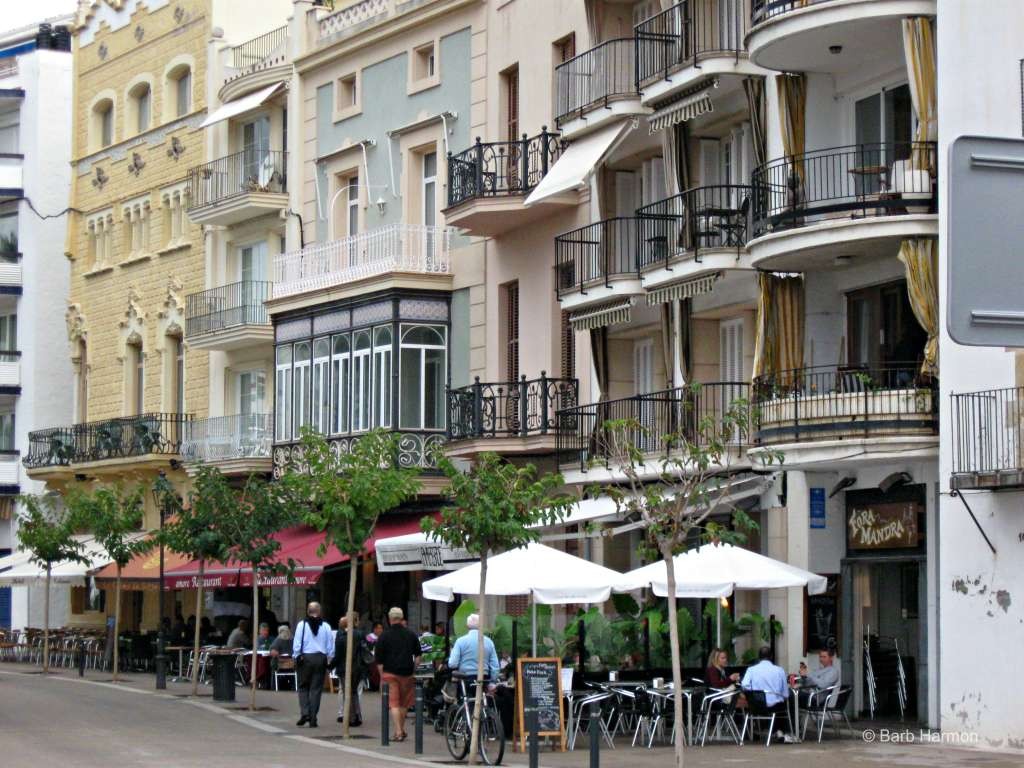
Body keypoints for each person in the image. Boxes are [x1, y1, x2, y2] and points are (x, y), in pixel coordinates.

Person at [374, 607, 421, 741]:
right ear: (401, 618)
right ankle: (400, 730)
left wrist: (382, 676)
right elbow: (418, 657)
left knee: (394, 703)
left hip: (390, 673)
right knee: (404, 704)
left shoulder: (384, 636)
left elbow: (379, 660)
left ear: (390, 619)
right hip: (407, 673)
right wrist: (414, 669)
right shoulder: (411, 634)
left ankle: (399, 732)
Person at [293, 602, 334, 728]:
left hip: (305, 658)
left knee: (303, 686)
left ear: (308, 611)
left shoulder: (302, 625)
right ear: (319, 612)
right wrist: (329, 658)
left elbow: (297, 642)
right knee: (316, 689)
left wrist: (296, 655)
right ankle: (313, 717)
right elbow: (330, 645)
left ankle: (305, 712)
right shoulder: (326, 626)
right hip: (320, 658)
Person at [741, 646, 792, 734]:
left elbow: (744, 685)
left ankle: (760, 730)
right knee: (787, 703)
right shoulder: (779, 670)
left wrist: (753, 691)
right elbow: (785, 694)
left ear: (759, 657)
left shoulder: (751, 670)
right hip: (775, 706)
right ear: (771, 656)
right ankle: (782, 731)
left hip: (756, 705)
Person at [334, 614, 367, 726]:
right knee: (355, 692)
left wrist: (330, 666)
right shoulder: (360, 634)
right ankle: (357, 715)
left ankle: (350, 717)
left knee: (346, 692)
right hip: (358, 667)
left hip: (345, 668)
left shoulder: (341, 636)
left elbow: (338, 655)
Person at [448, 613, 499, 684]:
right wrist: (492, 682)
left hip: (465, 679)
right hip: (484, 679)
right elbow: (495, 666)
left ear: (467, 626)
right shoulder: (489, 642)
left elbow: (452, 664)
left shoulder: (460, 641)